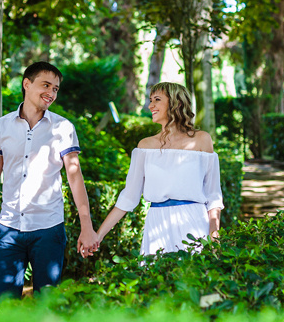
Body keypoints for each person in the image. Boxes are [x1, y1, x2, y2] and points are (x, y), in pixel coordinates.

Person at [0, 61, 98, 299]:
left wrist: (86, 226)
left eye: (56, 88)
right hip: (8, 230)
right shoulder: (0, 126)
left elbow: (75, 178)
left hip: (49, 229)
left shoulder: (63, 128)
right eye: (46, 85)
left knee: (46, 306)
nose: (51, 93)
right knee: (4, 306)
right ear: (26, 84)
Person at [88, 82, 223, 256]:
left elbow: (213, 195)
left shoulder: (202, 140)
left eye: (157, 100)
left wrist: (214, 235)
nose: (150, 105)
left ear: (177, 103)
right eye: (150, 100)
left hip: (193, 222)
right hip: (157, 225)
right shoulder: (145, 146)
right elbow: (129, 197)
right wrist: (98, 236)